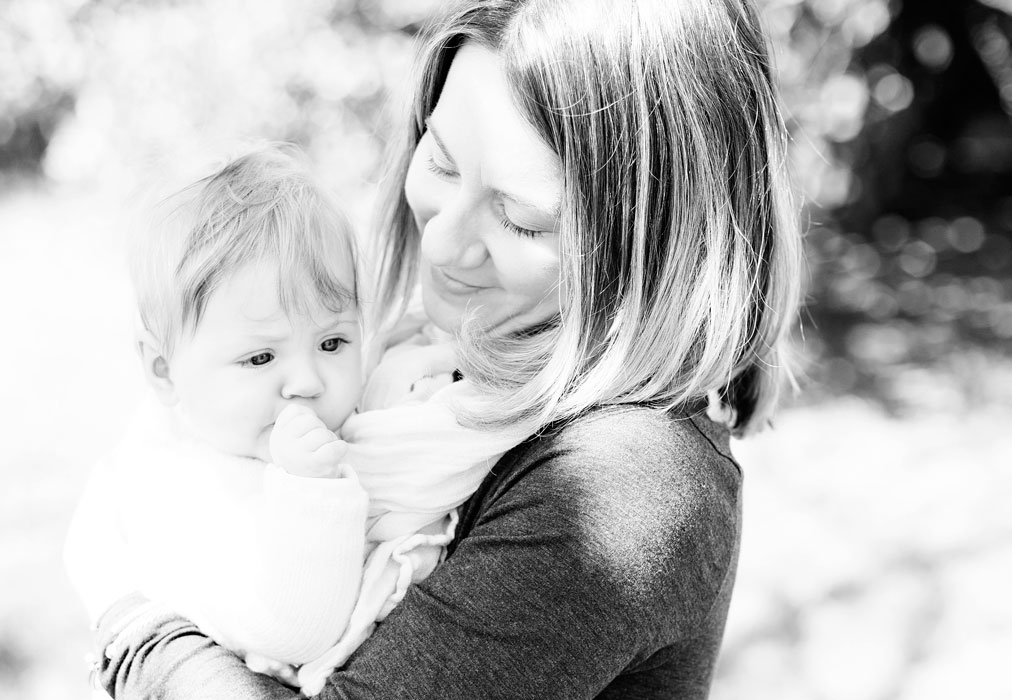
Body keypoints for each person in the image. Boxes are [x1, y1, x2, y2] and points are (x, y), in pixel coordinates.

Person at [94, 0, 803, 697]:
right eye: (439, 161)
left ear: (656, 249)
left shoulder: (627, 481)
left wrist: (137, 627)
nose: (440, 242)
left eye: (523, 221)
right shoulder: (420, 358)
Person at [65, 146, 527, 696]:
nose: (307, 381)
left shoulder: (326, 417)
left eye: (333, 342)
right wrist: (312, 492)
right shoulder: (185, 492)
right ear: (165, 371)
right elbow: (298, 632)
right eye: (260, 358)